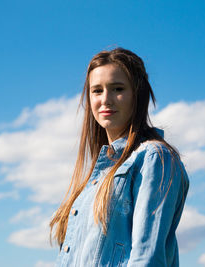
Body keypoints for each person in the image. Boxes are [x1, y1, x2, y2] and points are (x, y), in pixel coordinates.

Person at [50, 47, 189, 267]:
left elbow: (147, 259)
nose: (106, 99)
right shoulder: (96, 178)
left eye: (117, 88)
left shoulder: (154, 158)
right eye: (97, 90)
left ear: (138, 95)